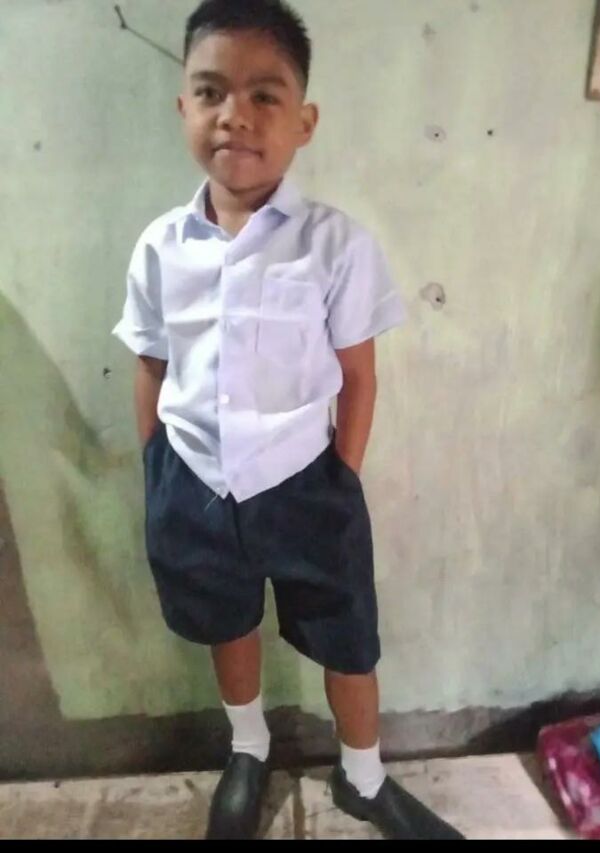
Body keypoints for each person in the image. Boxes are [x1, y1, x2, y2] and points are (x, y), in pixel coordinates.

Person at [113, 0, 464, 840]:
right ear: (184, 108)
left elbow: (357, 376)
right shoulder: (161, 246)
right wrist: (158, 469)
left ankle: (364, 776)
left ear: (304, 122)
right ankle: (248, 748)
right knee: (227, 622)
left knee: (348, 638)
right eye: (211, 91)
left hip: (307, 482)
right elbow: (151, 364)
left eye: (264, 94)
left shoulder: (336, 245)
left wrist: (341, 474)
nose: (234, 114)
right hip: (192, 480)